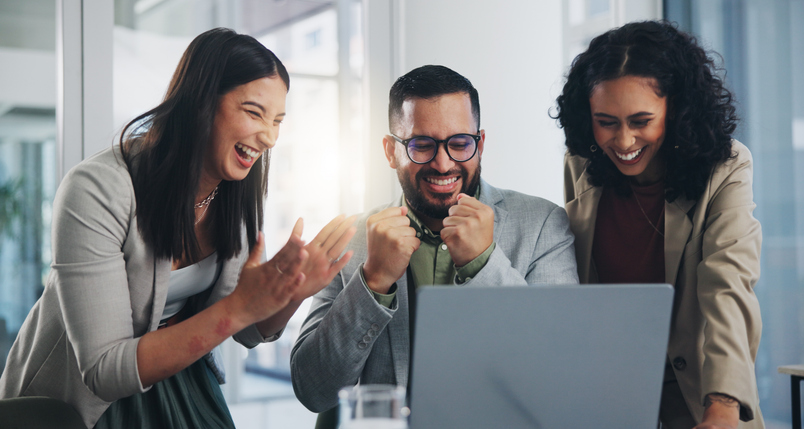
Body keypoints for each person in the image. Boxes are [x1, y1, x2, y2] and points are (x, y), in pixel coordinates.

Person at [0, 28, 356, 428]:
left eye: (277, 120)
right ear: (201, 102)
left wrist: (289, 293)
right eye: (254, 113)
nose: (270, 137)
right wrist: (241, 306)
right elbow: (104, 370)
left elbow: (248, 330)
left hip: (179, 378)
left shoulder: (232, 194)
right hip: (84, 403)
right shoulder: (96, 189)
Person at [290, 65, 579, 427]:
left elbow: (559, 376)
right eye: (421, 146)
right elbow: (313, 390)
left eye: (459, 144)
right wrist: (373, 282)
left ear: (481, 144)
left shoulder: (543, 225)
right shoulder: (351, 239)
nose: (443, 164)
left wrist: (483, 264)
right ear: (390, 151)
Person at [555, 21, 763, 429]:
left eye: (641, 120)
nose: (624, 141)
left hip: (699, 393)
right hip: (608, 396)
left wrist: (722, 404)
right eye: (606, 121)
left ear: (678, 110)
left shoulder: (726, 167)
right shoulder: (581, 163)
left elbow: (729, 284)